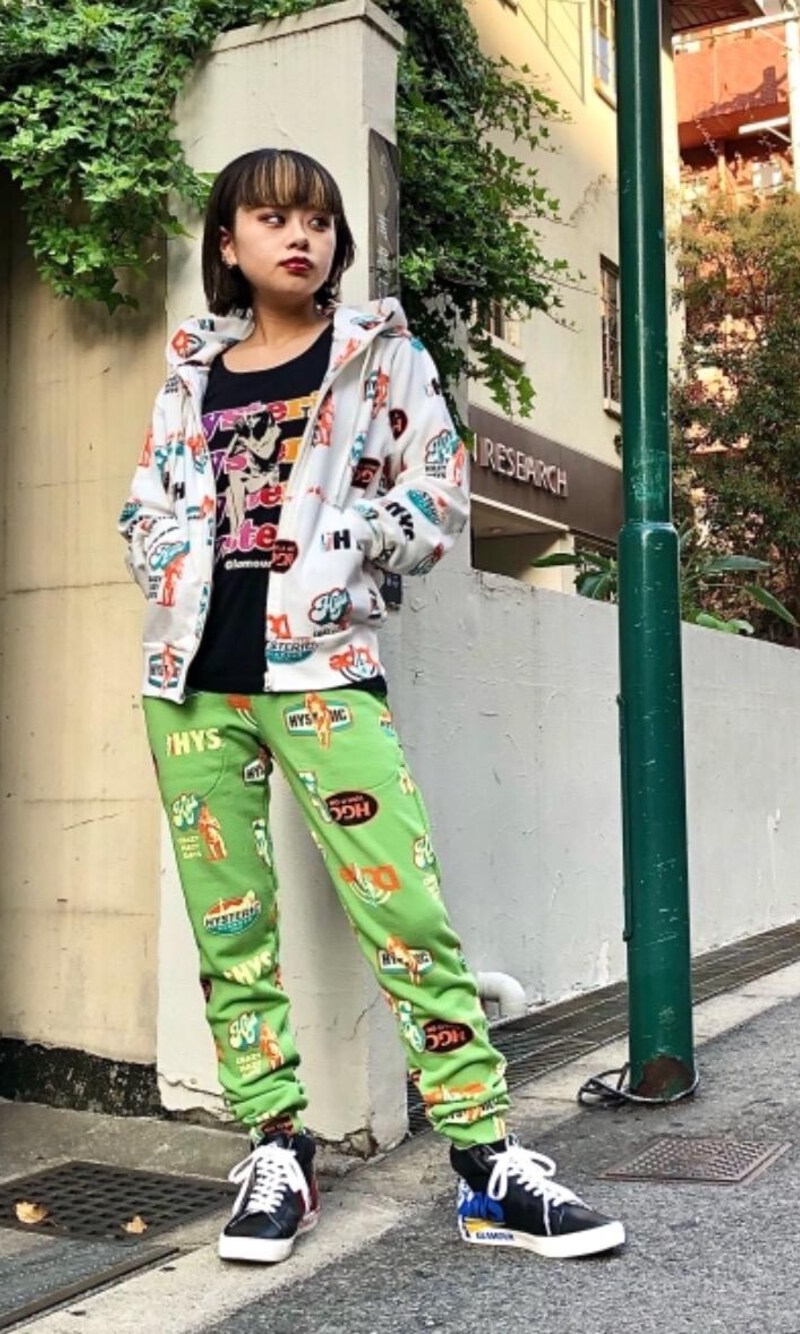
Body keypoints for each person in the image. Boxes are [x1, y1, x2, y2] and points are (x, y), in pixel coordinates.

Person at [118, 148, 625, 1264]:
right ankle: (276, 1148)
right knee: (230, 930)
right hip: (192, 683)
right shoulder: (191, 373)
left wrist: (346, 543)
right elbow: (144, 503)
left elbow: (437, 491)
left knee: (407, 916)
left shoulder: (379, 356)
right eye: (271, 218)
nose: (298, 236)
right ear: (227, 243)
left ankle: (485, 1159)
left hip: (323, 673)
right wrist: (167, 562)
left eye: (316, 219)